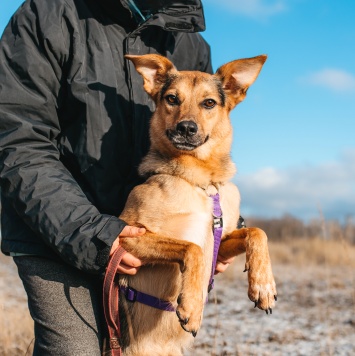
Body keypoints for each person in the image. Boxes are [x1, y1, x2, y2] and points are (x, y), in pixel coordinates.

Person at [0, 0, 234, 354]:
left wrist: (221, 222)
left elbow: (203, 142)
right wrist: (92, 232)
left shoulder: (188, 38)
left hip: (152, 242)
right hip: (57, 232)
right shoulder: (46, 14)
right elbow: (19, 141)